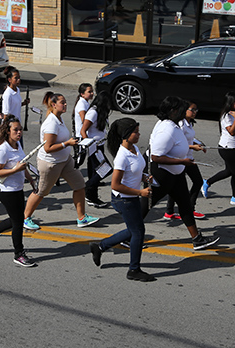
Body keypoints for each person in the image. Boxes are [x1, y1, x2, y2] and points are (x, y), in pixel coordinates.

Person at [145, 96, 220, 250]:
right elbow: (155, 157)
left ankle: (197, 239)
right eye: (181, 108)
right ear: (173, 111)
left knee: (185, 205)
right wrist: (182, 161)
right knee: (145, 206)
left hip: (176, 174)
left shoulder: (174, 125)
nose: (184, 111)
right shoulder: (167, 129)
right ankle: (126, 237)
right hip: (162, 174)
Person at [21, 91, 99, 231]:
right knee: (41, 191)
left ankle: (82, 218)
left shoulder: (59, 119)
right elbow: (48, 148)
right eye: (62, 102)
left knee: (80, 185)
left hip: (65, 161)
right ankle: (25, 218)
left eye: (65, 102)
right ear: (54, 105)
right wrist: (67, 144)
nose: (65, 105)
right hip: (51, 163)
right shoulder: (51, 123)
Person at [89, 118, 155, 281]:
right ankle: (133, 270)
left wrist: (145, 177)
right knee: (138, 232)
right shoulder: (122, 156)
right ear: (126, 135)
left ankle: (100, 246)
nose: (139, 134)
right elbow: (115, 185)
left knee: (134, 230)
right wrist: (140, 192)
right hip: (124, 199)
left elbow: (136, 171)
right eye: (135, 132)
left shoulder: (134, 149)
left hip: (131, 197)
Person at [0, 115, 38, 267]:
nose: (19, 132)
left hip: (18, 188)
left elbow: (22, 164)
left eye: (20, 130)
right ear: (7, 131)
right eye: (15, 130)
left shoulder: (18, 145)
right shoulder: (3, 149)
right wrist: (15, 169)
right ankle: (18, 254)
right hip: (6, 190)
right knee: (19, 221)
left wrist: (31, 180)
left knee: (16, 219)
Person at [202, 92, 235, 206]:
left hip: (234, 147)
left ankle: (207, 182)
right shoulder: (226, 116)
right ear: (230, 103)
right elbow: (232, 132)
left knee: (229, 171)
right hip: (227, 148)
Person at [164, 101, 206, 220]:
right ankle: (187, 209)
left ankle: (170, 211)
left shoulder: (189, 123)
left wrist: (198, 145)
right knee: (195, 182)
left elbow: (189, 140)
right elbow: (178, 143)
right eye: (192, 110)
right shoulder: (181, 124)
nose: (194, 112)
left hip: (188, 157)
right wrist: (194, 147)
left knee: (181, 184)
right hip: (182, 159)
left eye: (196, 110)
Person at [80, 90, 111, 208]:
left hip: (100, 145)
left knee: (95, 172)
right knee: (106, 169)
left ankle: (92, 197)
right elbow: (83, 130)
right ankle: (88, 187)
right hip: (94, 146)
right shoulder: (93, 112)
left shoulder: (101, 112)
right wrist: (89, 144)